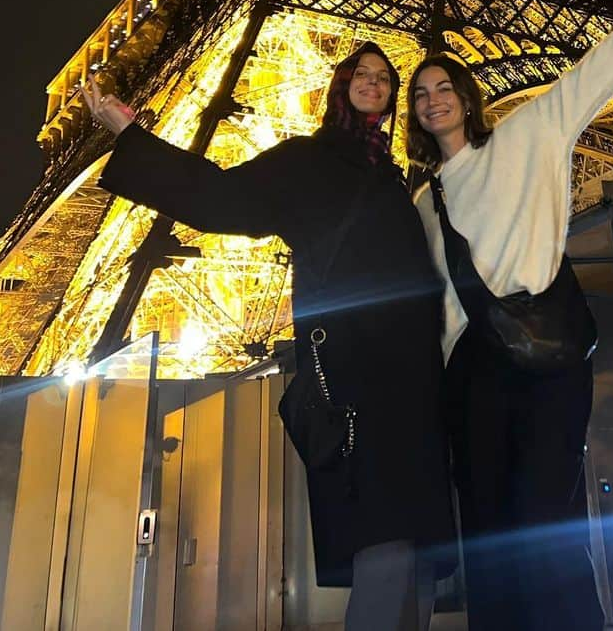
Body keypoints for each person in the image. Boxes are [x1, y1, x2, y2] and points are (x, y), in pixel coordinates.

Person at [81, 43, 454, 631]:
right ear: (339, 84)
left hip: (418, 380)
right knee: (385, 540)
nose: (374, 83)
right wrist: (130, 133)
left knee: (420, 552)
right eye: (361, 74)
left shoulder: (393, 171)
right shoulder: (307, 160)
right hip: (361, 377)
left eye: (384, 78)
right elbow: (220, 198)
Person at [406, 0, 613, 631]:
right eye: (420, 96)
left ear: (467, 97)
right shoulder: (423, 203)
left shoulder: (527, 136)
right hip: (471, 366)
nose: (433, 102)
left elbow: (591, 74)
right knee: (487, 520)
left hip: (543, 348)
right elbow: (430, 303)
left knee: (546, 509)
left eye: (444, 88)